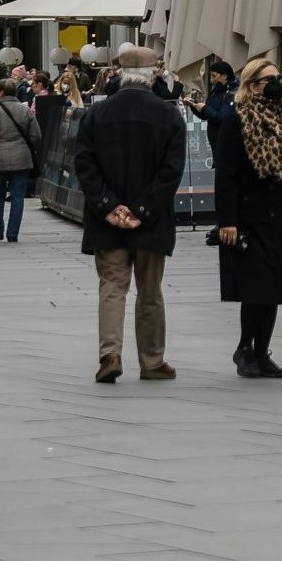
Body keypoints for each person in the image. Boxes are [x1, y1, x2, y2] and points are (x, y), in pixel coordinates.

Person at [74, 47, 187, 383]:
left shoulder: (97, 114)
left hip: (106, 219)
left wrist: (109, 206)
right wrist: (142, 209)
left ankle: (110, 353)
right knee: (150, 291)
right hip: (150, 220)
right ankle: (152, 361)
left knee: (111, 286)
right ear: (154, 74)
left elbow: (84, 163)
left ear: (119, 74)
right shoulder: (168, 116)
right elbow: (171, 171)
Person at [212, 58, 282, 378]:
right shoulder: (236, 119)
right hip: (250, 216)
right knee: (256, 288)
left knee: (274, 289)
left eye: (278, 78)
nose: (275, 84)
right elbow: (226, 173)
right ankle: (245, 348)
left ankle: (261, 352)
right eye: (268, 80)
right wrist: (228, 220)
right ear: (251, 86)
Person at [0, 79, 41, 242]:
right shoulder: (25, 111)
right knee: (18, 196)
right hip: (21, 158)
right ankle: (13, 233)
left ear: (1, 92)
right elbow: (37, 135)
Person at [191, 58, 237, 127]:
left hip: (225, 136)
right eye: (210, 75)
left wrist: (205, 108)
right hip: (215, 136)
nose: (211, 79)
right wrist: (193, 105)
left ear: (224, 76)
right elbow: (206, 115)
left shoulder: (233, 93)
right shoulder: (216, 90)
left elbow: (223, 119)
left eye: (214, 76)